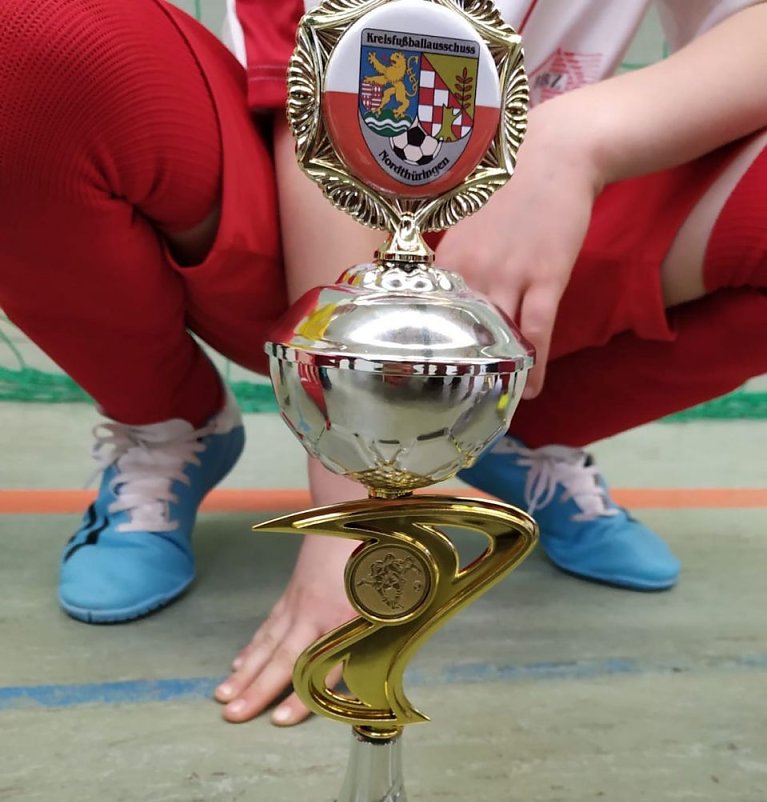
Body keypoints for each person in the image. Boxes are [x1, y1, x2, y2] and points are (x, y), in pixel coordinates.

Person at [1, 0, 765, 726]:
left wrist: (577, 140)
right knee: (29, 32)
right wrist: (357, 517)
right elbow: (345, 92)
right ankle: (168, 424)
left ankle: (506, 430)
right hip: (286, 230)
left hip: (538, 237)